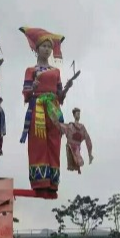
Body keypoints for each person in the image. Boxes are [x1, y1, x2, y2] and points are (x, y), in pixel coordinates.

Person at [19, 27, 75, 196]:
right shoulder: (31, 70)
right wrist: (33, 87)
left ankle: (53, 181)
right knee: (38, 142)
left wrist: (65, 90)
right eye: (44, 46)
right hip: (38, 107)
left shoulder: (56, 71)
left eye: (49, 47)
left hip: (54, 109)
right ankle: (39, 181)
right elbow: (26, 93)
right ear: (37, 49)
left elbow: (59, 95)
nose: (47, 49)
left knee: (54, 142)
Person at [61, 107, 93, 174]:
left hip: (77, 148)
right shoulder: (70, 126)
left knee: (79, 160)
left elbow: (88, 140)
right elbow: (60, 126)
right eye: (77, 113)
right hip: (70, 147)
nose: (78, 115)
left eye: (79, 114)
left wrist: (90, 154)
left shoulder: (82, 128)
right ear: (74, 115)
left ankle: (76, 164)